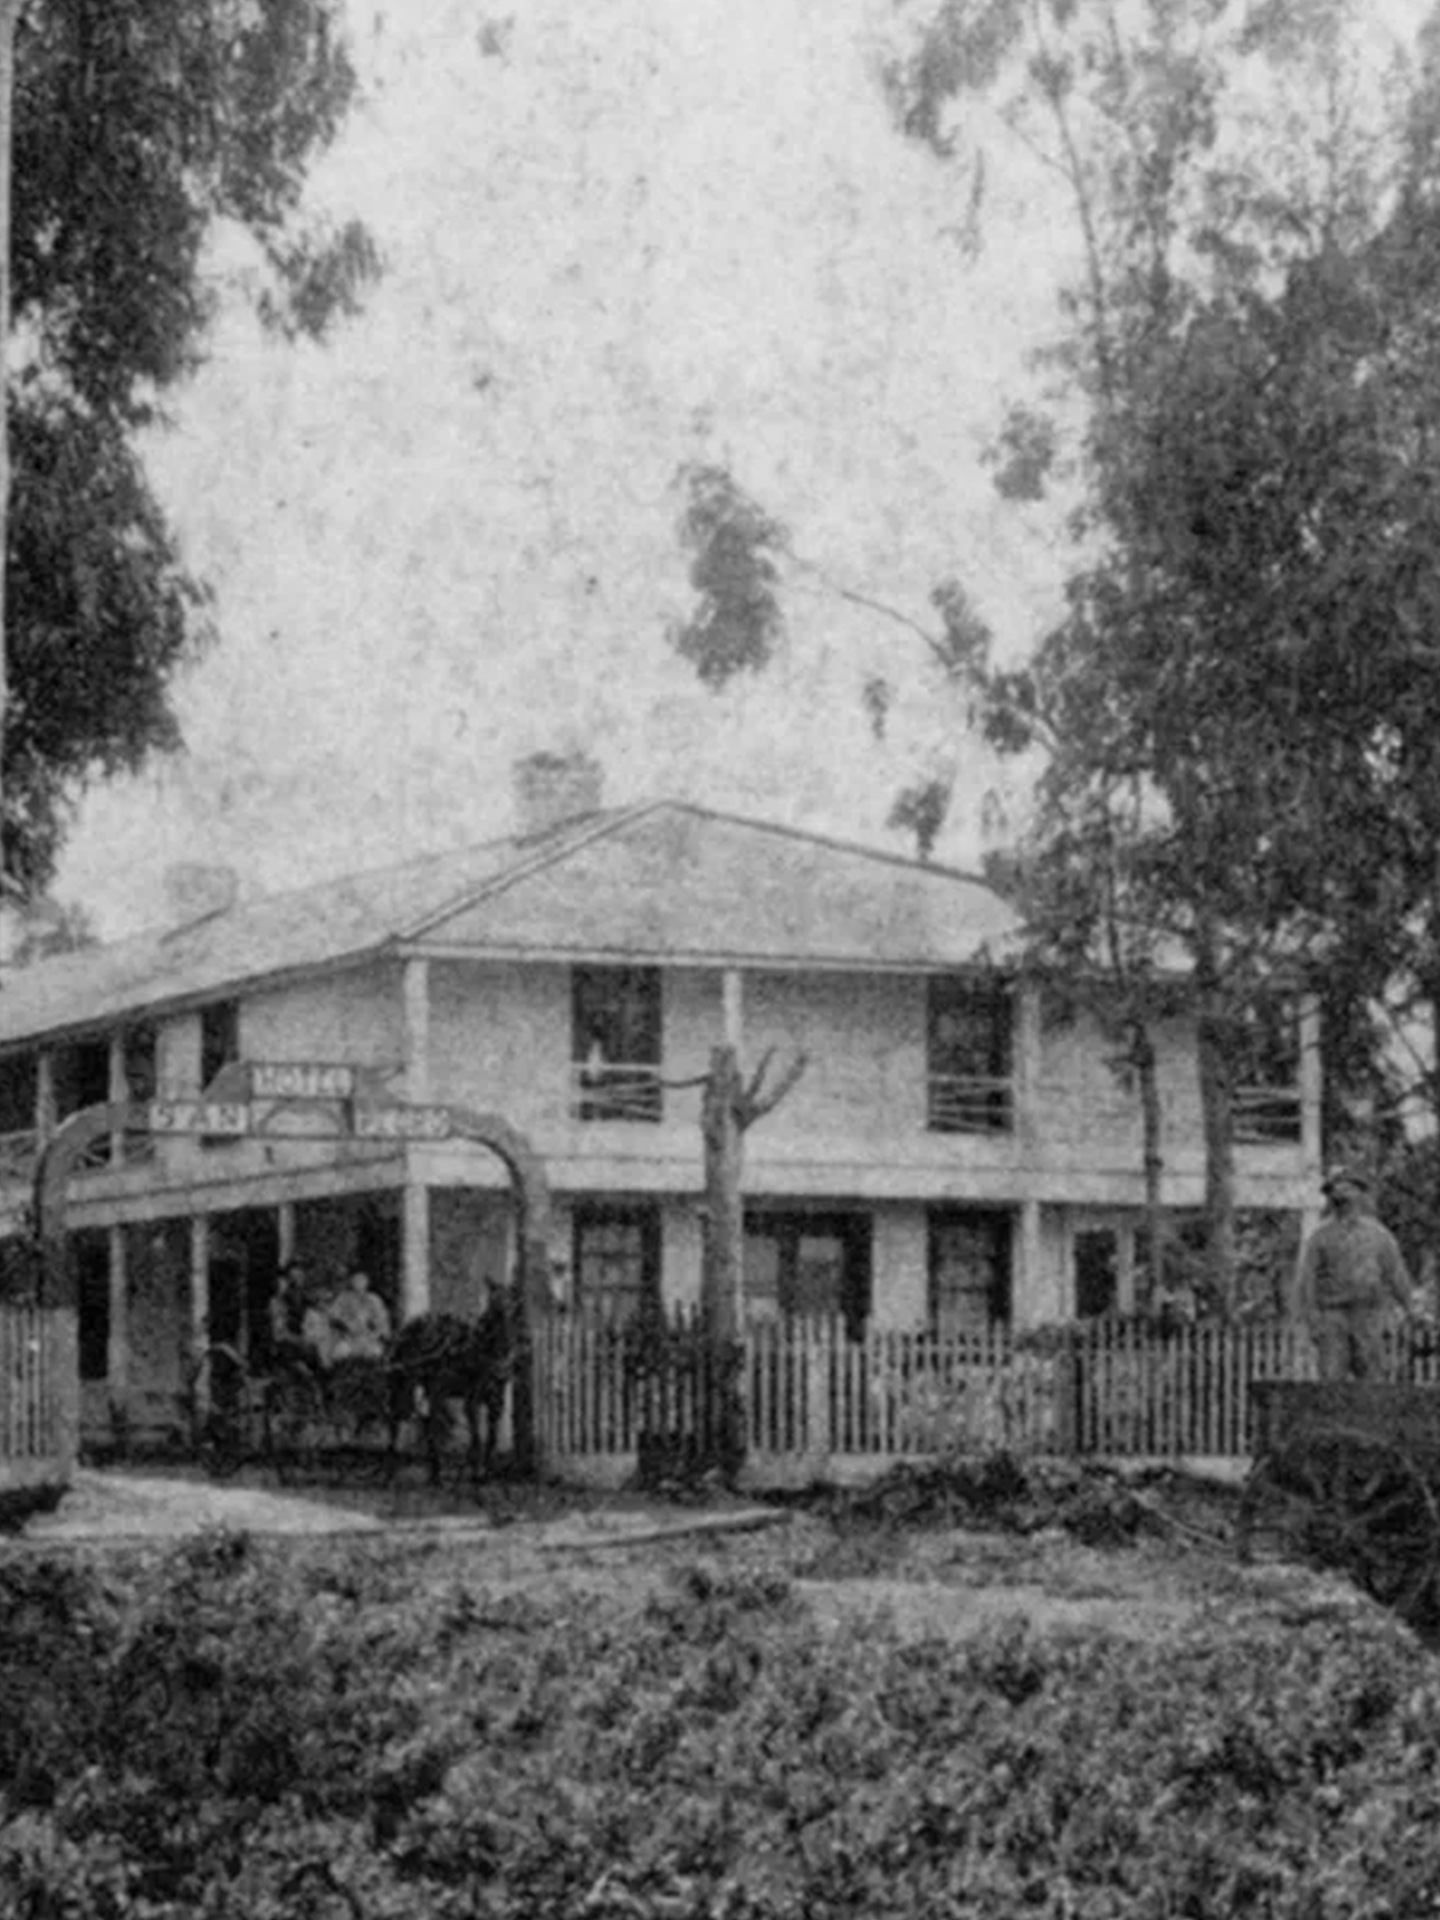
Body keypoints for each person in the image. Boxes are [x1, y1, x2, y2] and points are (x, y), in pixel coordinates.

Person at [1294, 1165, 1418, 1381]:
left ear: (1360, 1194)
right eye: (1336, 1190)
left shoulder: (1379, 1235)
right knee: (1332, 1380)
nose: (1342, 1194)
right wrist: (1312, 1319)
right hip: (1332, 1316)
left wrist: (1410, 1309)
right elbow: (1307, 1280)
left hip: (1368, 1315)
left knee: (1372, 1379)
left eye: (1349, 1188)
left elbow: (1396, 1273)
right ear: (1330, 1197)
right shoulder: (1320, 1236)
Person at [326, 1267, 392, 1366]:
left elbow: (382, 1321)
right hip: (349, 1338)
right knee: (339, 1354)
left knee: (376, 1354)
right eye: (356, 1281)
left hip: (369, 1339)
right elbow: (332, 1316)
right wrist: (344, 1325)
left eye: (361, 1281)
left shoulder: (374, 1300)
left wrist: (376, 1330)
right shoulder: (343, 1298)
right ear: (351, 1282)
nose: (358, 1284)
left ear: (367, 1283)